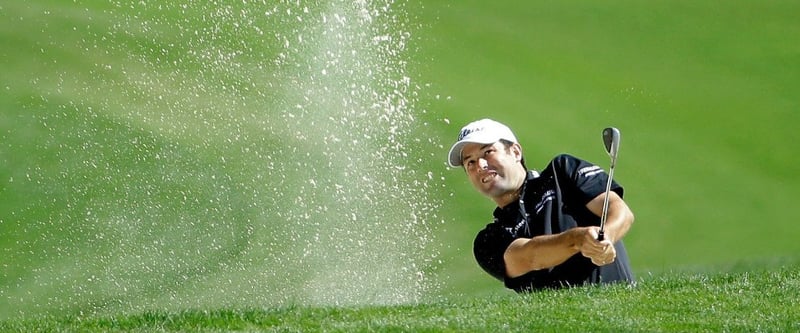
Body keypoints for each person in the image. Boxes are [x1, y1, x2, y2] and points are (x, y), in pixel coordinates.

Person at [447, 118, 635, 292]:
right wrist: (578, 239)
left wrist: (607, 237)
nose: (480, 165)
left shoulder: (562, 172)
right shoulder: (488, 242)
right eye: (470, 162)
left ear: (515, 152)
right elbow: (530, 257)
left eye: (488, 152)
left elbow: (618, 209)